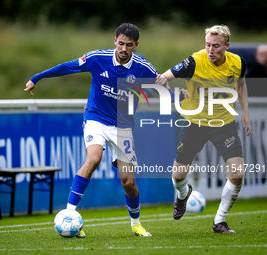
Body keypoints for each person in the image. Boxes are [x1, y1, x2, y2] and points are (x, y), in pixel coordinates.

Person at [24, 23, 181, 237]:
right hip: (95, 118)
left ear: (136, 45)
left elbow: (161, 90)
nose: (124, 49)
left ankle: (136, 223)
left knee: (128, 182)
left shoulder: (143, 68)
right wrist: (37, 77)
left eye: (129, 45)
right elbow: (68, 67)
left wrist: (179, 97)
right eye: (121, 43)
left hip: (123, 127)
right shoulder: (98, 58)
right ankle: (70, 215)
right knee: (94, 159)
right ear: (114, 40)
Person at [161, 25, 252, 233]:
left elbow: (241, 85)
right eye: (208, 45)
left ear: (227, 46)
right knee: (178, 176)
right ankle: (183, 195)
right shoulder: (194, 62)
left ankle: (219, 221)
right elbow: (163, 78)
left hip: (224, 125)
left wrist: (245, 111)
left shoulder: (238, 63)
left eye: (216, 46)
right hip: (195, 124)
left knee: (237, 175)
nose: (211, 50)